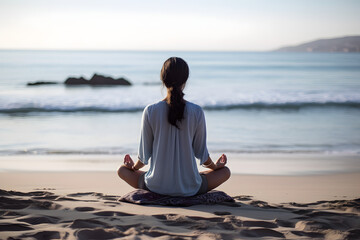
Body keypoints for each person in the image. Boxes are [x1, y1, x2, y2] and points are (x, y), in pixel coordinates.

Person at [117, 57, 230, 196]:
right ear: (185, 79)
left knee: (122, 170)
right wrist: (215, 167)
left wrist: (133, 168)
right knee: (225, 172)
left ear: (162, 79)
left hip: (155, 187)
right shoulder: (196, 111)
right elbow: (201, 153)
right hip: (190, 188)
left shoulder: (150, 110)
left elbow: (144, 157)